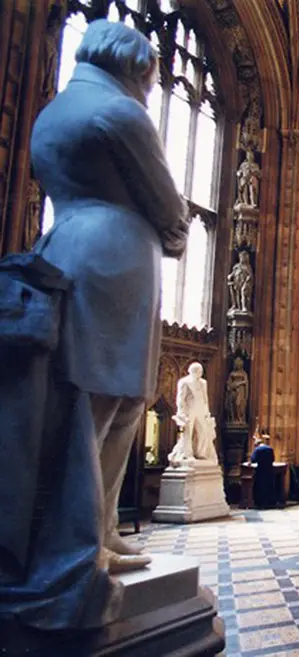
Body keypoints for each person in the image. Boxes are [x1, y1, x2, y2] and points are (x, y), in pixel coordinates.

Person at [5, 19, 187, 630]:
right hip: (116, 260)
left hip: (64, 246)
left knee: (75, 401)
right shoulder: (120, 113)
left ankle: (98, 533)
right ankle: (85, 543)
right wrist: (174, 232)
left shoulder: (52, 114)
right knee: (108, 403)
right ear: (136, 67)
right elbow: (169, 206)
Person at [250, 435, 277, 509]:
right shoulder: (270, 448)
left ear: (256, 445)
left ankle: (261, 503)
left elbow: (253, 460)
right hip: (269, 470)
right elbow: (273, 459)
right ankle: (270, 502)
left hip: (261, 471)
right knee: (269, 486)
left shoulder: (257, 450)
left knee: (260, 486)